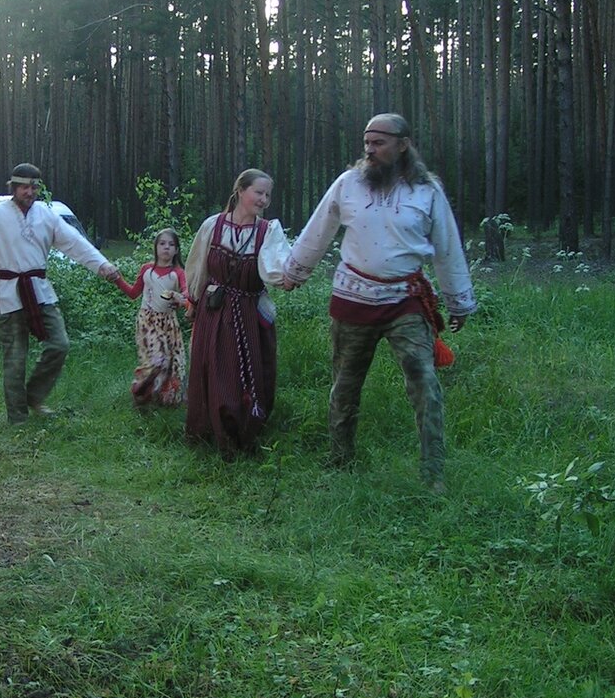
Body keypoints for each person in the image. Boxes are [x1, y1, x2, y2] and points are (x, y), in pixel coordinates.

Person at [284, 113, 477, 493]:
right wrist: (295, 271)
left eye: (379, 142)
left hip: (405, 301)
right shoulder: (348, 184)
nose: (370, 150)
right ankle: (340, 461)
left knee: (425, 382)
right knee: (345, 384)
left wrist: (458, 301)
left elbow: (447, 246)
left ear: (403, 145)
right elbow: (318, 229)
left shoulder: (426, 191)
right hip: (352, 299)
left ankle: (433, 472)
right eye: (367, 143)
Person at [0, 162, 120, 424]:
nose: (29, 192)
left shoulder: (46, 216)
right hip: (8, 294)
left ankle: (34, 396)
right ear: (14, 187)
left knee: (60, 344)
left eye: (34, 187)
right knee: (15, 359)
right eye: (24, 187)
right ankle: (18, 418)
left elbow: (74, 243)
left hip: (40, 292)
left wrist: (102, 265)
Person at [184, 169, 291, 458]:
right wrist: (192, 301)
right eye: (259, 192)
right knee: (212, 369)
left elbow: (278, 268)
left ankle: (240, 432)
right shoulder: (212, 226)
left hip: (248, 314)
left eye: (267, 195)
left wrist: (291, 275)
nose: (264, 199)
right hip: (214, 311)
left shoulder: (268, 231)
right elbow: (197, 266)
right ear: (241, 190)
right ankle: (209, 430)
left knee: (242, 373)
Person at [115, 228, 188, 408]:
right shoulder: (147, 269)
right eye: (162, 243)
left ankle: (161, 395)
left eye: (171, 244)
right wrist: (117, 279)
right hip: (147, 322)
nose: (166, 247)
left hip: (168, 323)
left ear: (176, 250)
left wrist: (179, 298)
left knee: (170, 362)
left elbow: (186, 293)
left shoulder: (178, 272)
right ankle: (140, 388)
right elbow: (133, 293)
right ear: (155, 247)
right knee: (157, 359)